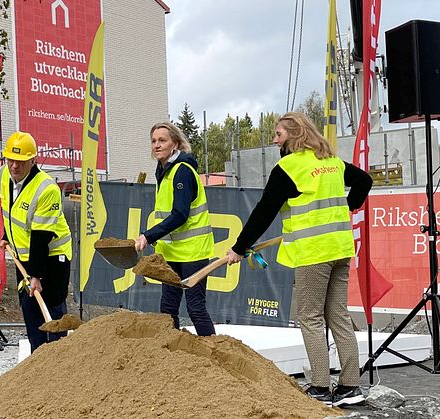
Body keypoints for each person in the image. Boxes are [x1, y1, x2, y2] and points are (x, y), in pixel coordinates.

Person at [225, 112, 372, 407]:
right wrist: (349, 205)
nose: (275, 140)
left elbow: (264, 212)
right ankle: (350, 386)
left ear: (293, 134)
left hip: (313, 253)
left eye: (278, 135)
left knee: (309, 317)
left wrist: (239, 248)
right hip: (340, 249)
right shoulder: (330, 163)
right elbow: (364, 181)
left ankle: (319, 385)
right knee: (338, 315)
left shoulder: (290, 167)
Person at [134, 122, 216, 336]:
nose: (157, 145)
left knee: (195, 307)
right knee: (168, 309)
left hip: (192, 252)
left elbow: (180, 214)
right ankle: (170, 356)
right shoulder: (163, 170)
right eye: (153, 141)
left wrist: (148, 235)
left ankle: (216, 356)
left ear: (176, 144)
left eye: (162, 140)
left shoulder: (182, 171)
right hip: (172, 252)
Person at [0, 131, 73, 352]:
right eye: (10, 160)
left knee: (52, 306)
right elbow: (7, 211)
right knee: (29, 306)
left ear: (33, 160)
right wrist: (5, 235)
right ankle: (37, 356)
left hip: (52, 256)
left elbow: (42, 237)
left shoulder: (46, 189)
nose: (14, 166)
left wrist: (36, 276)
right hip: (24, 256)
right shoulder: (3, 174)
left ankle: (59, 355)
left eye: (20, 162)